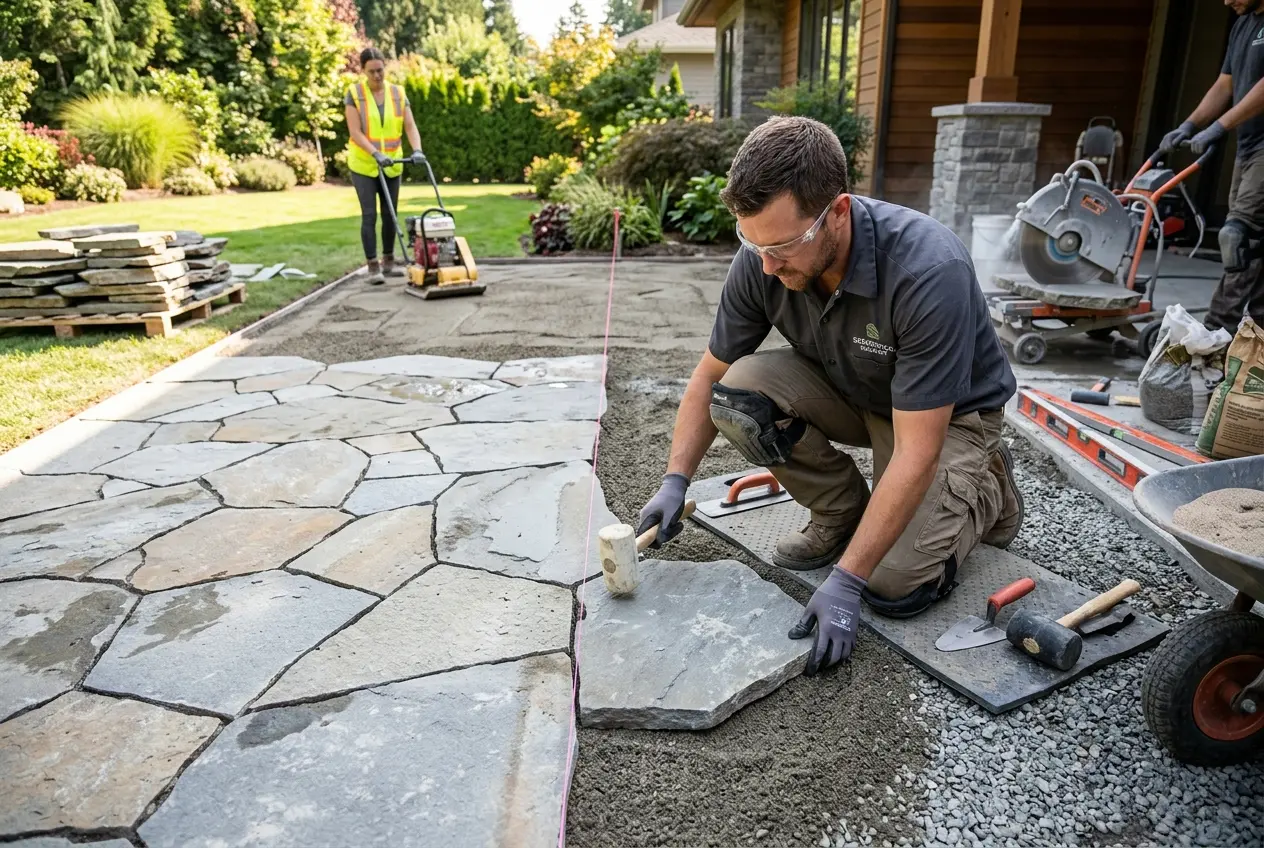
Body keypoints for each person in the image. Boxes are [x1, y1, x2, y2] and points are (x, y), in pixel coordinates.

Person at [635, 116, 1024, 676]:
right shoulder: (763, 256)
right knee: (737, 391)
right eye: (753, 242)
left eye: (784, 246)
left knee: (891, 587)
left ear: (837, 211)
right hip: (855, 389)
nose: (766, 265)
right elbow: (708, 377)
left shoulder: (926, 271)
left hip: (945, 420)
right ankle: (841, 510)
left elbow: (916, 450)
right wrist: (675, 481)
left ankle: (986, 484)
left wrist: (848, 579)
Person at [1160, 0, 1264, 332]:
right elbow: (1225, 85)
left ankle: (1214, 333)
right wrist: (1189, 125)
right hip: (1248, 148)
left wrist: (1218, 128)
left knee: (1239, 237)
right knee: (1256, 246)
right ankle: (1253, 337)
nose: (1225, 1)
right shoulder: (1243, 24)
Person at [344, 47, 425, 285]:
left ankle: (389, 261)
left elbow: (409, 126)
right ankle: (372, 266)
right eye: (372, 72)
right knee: (369, 215)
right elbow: (355, 131)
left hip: (392, 163)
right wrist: (375, 153)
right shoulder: (354, 93)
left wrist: (417, 149)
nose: (377, 76)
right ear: (363, 71)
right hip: (364, 164)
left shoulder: (398, 93)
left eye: (380, 70)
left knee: (390, 215)